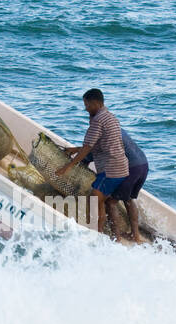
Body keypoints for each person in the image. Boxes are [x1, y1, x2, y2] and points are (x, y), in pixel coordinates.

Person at [59, 88, 128, 240]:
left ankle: (98, 234)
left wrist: (68, 166)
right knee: (102, 200)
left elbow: (87, 147)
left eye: (87, 105)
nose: (86, 109)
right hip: (122, 168)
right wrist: (74, 149)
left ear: (96, 103)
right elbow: (98, 145)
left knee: (95, 199)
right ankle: (108, 234)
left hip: (111, 170)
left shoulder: (98, 120)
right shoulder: (111, 117)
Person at [109, 128, 149, 243]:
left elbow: (93, 153)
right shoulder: (119, 130)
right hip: (143, 165)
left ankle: (116, 239)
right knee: (128, 199)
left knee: (111, 202)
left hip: (132, 169)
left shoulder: (106, 133)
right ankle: (135, 236)